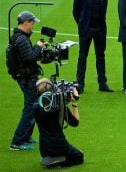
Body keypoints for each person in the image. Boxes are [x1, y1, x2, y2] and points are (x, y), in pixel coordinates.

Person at [72, 0, 113, 93]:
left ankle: (102, 84)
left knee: (101, 56)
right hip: (86, 29)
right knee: (82, 57)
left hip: (100, 29)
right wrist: (82, 24)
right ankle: (80, 85)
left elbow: (104, 9)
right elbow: (75, 12)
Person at [8, 11, 44, 151]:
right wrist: (39, 46)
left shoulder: (20, 37)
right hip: (27, 78)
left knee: (33, 106)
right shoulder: (22, 39)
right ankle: (17, 142)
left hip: (26, 76)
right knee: (29, 108)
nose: (33, 25)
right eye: (32, 22)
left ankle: (26, 136)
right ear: (25, 22)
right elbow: (29, 57)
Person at [33, 79, 83, 168]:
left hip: (44, 148)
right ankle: (57, 163)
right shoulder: (60, 107)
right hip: (59, 145)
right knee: (79, 156)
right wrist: (74, 103)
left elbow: (45, 106)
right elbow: (75, 123)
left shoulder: (35, 107)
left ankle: (51, 159)